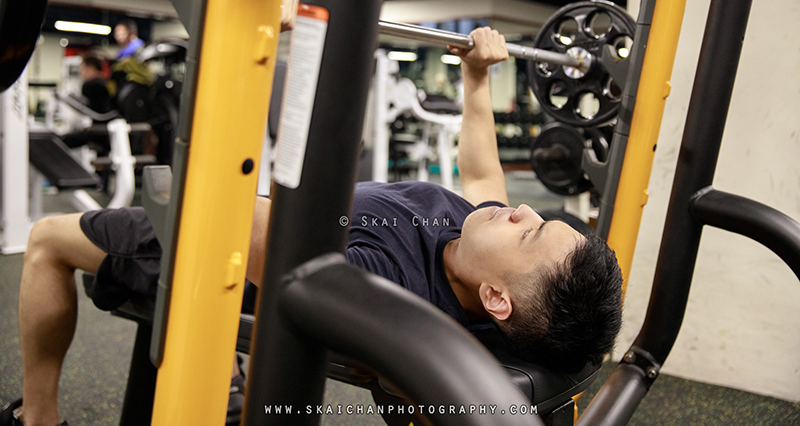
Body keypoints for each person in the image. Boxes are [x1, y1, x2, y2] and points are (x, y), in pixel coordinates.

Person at [2, 26, 622, 426]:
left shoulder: (383, 285)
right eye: (539, 215)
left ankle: (40, 419)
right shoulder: (478, 239)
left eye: (529, 231)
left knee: (45, 240)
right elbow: (485, 175)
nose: (523, 209)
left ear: (495, 298)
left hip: (227, 251)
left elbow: (233, 208)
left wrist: (265, 47)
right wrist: (477, 77)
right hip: (275, 218)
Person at [60, 55, 112, 150]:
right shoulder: (106, 82)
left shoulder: (91, 84)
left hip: (100, 132)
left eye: (82, 69)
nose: (81, 73)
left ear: (91, 68)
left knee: (62, 140)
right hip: (105, 130)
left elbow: (92, 110)